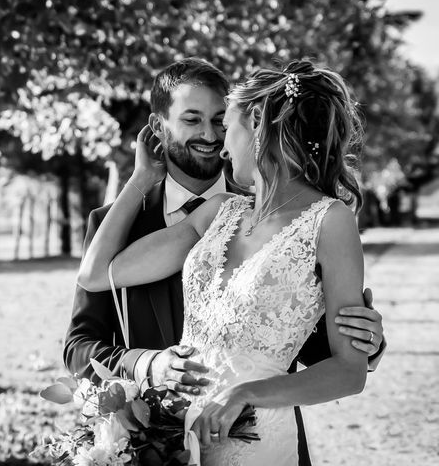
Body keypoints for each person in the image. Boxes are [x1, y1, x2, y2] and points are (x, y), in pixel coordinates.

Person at [65, 58, 385, 465]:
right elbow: (96, 276)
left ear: (260, 130)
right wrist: (140, 177)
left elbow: (347, 369)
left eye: (225, 123)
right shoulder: (221, 211)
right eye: (195, 119)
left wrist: (247, 392)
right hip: (176, 438)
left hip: (259, 440)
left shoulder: (332, 221)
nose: (218, 140)